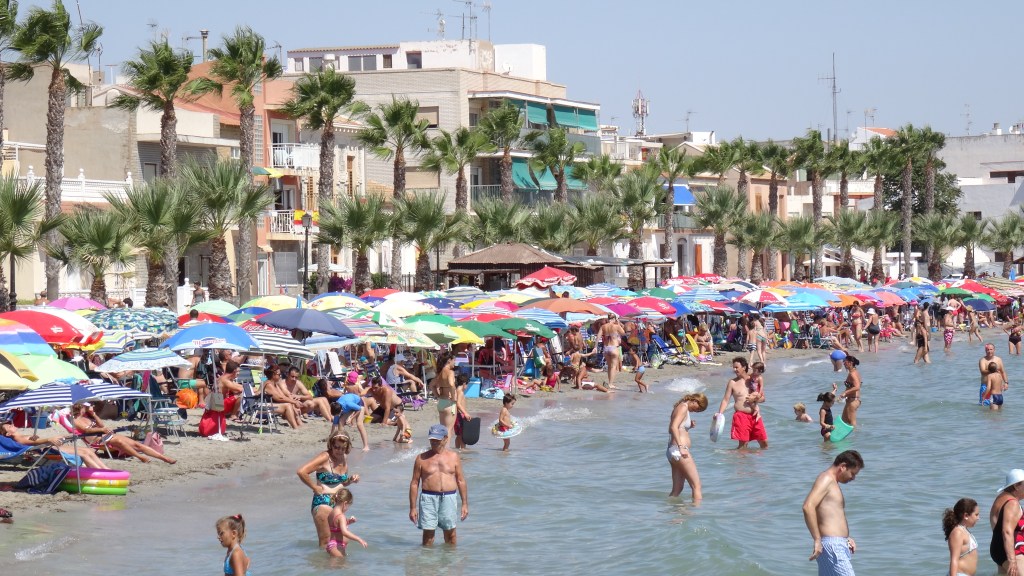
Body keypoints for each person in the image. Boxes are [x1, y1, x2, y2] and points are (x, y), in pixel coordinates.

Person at [802, 450, 864, 576]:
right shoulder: (826, 479)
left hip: (835, 545)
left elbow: (829, 514)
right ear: (843, 467)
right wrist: (817, 539)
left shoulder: (832, 482)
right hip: (833, 547)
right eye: (852, 473)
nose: (853, 478)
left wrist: (845, 538)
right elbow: (808, 506)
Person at [296, 434, 361, 548]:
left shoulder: (343, 458)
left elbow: (342, 481)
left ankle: (333, 565)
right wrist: (314, 487)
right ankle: (323, 565)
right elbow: (301, 472)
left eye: (343, 448)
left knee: (339, 541)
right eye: (336, 447)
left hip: (338, 504)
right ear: (331, 445)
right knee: (326, 541)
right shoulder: (324, 457)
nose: (339, 451)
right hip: (323, 503)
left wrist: (351, 480)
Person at [409, 424, 468, 546]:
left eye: (437, 440)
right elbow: (414, 483)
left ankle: (450, 563)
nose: (434, 442)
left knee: (450, 534)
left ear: (445, 438)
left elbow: (461, 480)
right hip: (428, 498)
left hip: (449, 497)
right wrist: (413, 508)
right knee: (428, 537)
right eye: (432, 440)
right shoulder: (421, 458)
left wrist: (465, 504)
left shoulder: (454, 457)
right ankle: (428, 564)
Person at [68, 404, 176, 464]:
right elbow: (86, 431)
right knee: (119, 441)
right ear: (79, 407)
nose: (88, 407)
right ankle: (140, 457)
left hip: (105, 436)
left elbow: (101, 425)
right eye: (86, 406)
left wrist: (94, 414)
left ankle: (164, 458)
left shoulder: (87, 416)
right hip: (96, 441)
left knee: (137, 444)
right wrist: (102, 430)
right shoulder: (75, 421)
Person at [0, 421, 109, 469]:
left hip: (51, 445)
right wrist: (49, 439)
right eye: (9, 427)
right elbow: (35, 443)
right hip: (49, 448)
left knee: (88, 451)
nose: (11, 425)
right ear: (8, 433)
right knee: (84, 453)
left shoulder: (21, 436)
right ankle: (100, 472)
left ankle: (105, 469)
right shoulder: (18, 438)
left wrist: (68, 435)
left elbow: (36, 440)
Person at [715, 357, 767, 449]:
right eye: (733, 367)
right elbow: (725, 400)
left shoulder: (753, 380)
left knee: (764, 443)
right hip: (741, 416)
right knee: (743, 446)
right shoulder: (732, 382)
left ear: (744, 367)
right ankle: (739, 462)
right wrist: (720, 414)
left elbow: (763, 398)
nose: (734, 370)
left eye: (736, 367)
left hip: (755, 416)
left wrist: (754, 400)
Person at [667, 392, 708, 501]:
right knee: (696, 486)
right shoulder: (683, 407)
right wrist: (681, 447)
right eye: (698, 408)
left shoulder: (681, 406)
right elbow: (673, 427)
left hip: (673, 450)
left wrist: (689, 426)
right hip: (679, 450)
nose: (697, 411)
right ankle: (698, 515)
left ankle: (673, 516)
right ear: (695, 400)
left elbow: (677, 428)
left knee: (677, 489)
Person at [990, 469, 1024, 575]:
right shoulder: (1012, 504)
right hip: (1013, 552)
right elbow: (1007, 532)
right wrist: (1012, 560)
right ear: (1016, 486)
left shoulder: (1000, 499)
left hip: (998, 550)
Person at [325, 488, 367, 557]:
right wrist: (359, 539)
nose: (347, 508)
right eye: (348, 506)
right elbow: (344, 532)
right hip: (337, 547)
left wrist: (348, 522)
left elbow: (336, 526)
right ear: (345, 503)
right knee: (341, 566)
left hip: (332, 545)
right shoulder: (341, 516)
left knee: (335, 566)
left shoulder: (331, 513)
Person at [943, 497, 979, 576]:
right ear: (966, 515)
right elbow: (954, 560)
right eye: (976, 515)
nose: (978, 518)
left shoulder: (964, 530)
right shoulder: (957, 533)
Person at [598, 314, 625, 388]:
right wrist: (618, 323)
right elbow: (623, 333)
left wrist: (595, 347)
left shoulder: (603, 326)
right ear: (614, 319)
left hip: (606, 347)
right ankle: (610, 383)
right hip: (614, 347)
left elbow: (598, 336)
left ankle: (610, 382)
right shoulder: (616, 326)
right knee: (613, 367)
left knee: (609, 366)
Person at [838, 355, 862, 427]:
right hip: (851, 401)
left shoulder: (852, 374)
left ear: (850, 363)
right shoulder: (854, 372)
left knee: (852, 425)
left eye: (845, 362)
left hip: (853, 402)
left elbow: (857, 387)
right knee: (843, 422)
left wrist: (845, 393)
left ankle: (855, 437)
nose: (843, 364)